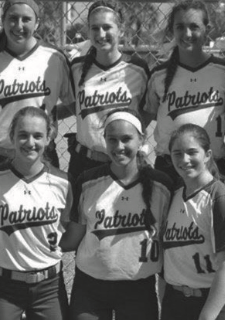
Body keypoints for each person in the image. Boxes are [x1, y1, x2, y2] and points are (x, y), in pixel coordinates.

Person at [60, 108, 172, 320]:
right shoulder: (87, 181)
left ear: (141, 139)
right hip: (90, 286)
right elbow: (73, 238)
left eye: (126, 139)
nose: (119, 147)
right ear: (104, 140)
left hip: (138, 287)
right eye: (112, 140)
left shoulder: (162, 186)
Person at [0, 106, 71, 320]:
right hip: (3, 285)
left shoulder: (63, 182)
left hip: (49, 287)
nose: (30, 143)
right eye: (23, 135)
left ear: (49, 138)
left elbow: (66, 230)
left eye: (38, 136)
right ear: (11, 137)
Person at [0, 0, 74, 169]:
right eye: (13, 18)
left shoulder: (54, 58)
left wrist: (49, 115)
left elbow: (73, 104)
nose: (19, 25)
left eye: (26, 19)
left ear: (37, 23)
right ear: (2, 20)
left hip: (41, 157)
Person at [143, 0, 225, 184]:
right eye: (180, 27)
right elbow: (144, 117)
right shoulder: (159, 75)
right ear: (172, 30)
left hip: (213, 165)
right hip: (170, 166)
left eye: (194, 26)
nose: (187, 33)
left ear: (207, 30)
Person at [162, 123, 225, 320]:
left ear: (208, 155)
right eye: (177, 153)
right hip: (175, 302)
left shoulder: (220, 198)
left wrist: (207, 316)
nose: (184, 160)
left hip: (214, 303)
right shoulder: (173, 197)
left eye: (192, 152)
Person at [61, 0, 150, 180]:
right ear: (88, 31)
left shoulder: (137, 69)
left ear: (121, 30)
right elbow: (74, 106)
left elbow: (146, 113)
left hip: (126, 161)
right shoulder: (77, 68)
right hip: (84, 161)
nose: (101, 34)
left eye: (107, 27)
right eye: (95, 28)